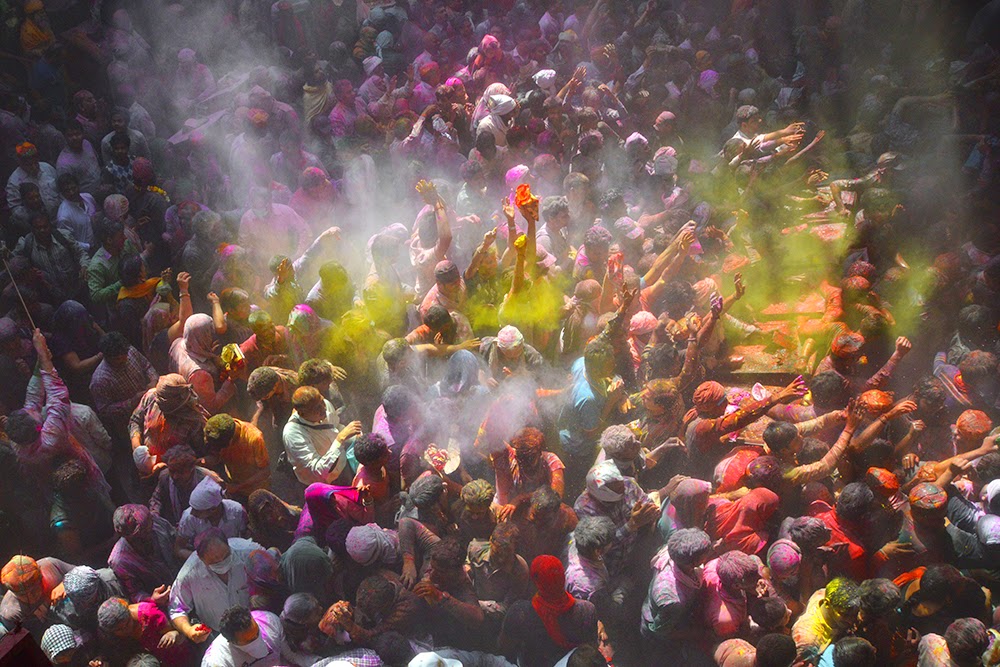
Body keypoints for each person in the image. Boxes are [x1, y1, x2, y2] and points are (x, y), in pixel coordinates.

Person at [499, 555, 598, 667]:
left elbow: (504, 647)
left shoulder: (520, 612)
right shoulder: (587, 611)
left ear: (536, 582)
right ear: (563, 577)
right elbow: (590, 650)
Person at [168, 529, 263, 639]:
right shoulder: (189, 574)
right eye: (215, 562)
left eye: (226, 556)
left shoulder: (249, 553)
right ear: (201, 558)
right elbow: (176, 608)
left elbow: (273, 567)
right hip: (218, 634)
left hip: (257, 624)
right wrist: (189, 630)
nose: (222, 562)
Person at [282, 386, 361, 487]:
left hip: (341, 464)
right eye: (316, 409)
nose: (323, 409)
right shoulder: (293, 434)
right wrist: (340, 439)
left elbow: (335, 426)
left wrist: (353, 435)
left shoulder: (326, 404)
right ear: (302, 413)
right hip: (324, 484)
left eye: (322, 403)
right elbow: (318, 470)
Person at [202, 604, 293, 667]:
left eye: (257, 633)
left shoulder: (268, 621)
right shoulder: (216, 661)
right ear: (231, 642)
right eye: (249, 641)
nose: (257, 641)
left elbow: (290, 654)